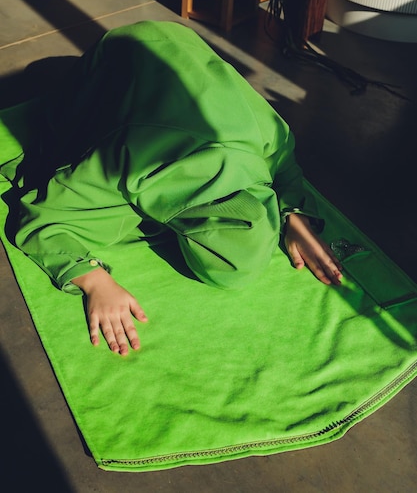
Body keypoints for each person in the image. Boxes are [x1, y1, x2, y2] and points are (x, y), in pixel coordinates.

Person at [8, 21, 342, 356]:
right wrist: (94, 280)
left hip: (182, 41)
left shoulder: (268, 135)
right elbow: (40, 217)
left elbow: (283, 163)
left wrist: (293, 216)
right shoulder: (129, 158)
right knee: (60, 137)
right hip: (119, 52)